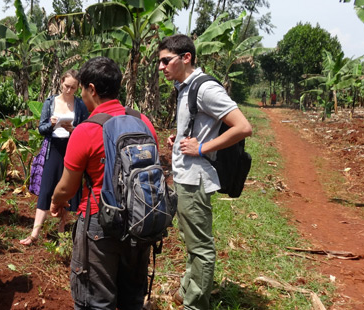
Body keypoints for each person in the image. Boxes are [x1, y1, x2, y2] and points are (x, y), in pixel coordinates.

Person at [50, 57, 159, 309]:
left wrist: (57, 202)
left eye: (83, 90)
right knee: (132, 298)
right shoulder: (144, 121)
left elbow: (67, 187)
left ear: (92, 89)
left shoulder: (86, 130)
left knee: (96, 301)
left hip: (100, 222)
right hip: (140, 219)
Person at [158, 34, 252, 309]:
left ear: (186, 58)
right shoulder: (185, 87)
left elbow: (243, 127)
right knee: (191, 238)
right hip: (185, 174)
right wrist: (181, 138)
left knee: (200, 246)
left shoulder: (205, 89)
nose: (161, 67)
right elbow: (200, 126)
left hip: (195, 177)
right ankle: (188, 288)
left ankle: (195, 304)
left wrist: (202, 147)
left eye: (166, 61)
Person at [20, 70, 89, 246]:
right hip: (53, 149)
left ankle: (61, 232)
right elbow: (41, 129)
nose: (69, 90)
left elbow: (85, 128)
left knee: (69, 190)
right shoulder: (51, 102)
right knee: (46, 188)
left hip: (71, 148)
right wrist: (51, 124)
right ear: (61, 83)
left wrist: (73, 130)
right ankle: (35, 233)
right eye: (67, 86)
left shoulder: (80, 105)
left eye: (73, 88)